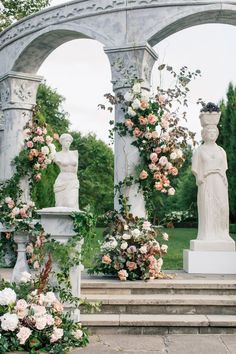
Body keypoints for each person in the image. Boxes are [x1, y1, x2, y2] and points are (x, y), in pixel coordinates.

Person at [192, 125, 231, 242]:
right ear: (204, 134)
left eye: (215, 131)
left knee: (221, 206)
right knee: (207, 206)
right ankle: (207, 234)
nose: (212, 133)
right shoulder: (199, 151)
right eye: (209, 131)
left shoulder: (221, 151)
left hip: (219, 181)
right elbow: (195, 169)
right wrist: (199, 177)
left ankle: (223, 233)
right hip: (206, 180)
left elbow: (224, 168)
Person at [53, 133, 79, 209]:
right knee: (60, 205)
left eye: (69, 141)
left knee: (71, 204)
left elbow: (76, 170)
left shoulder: (75, 153)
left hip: (73, 180)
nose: (68, 143)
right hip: (62, 180)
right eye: (66, 141)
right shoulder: (57, 155)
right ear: (61, 142)